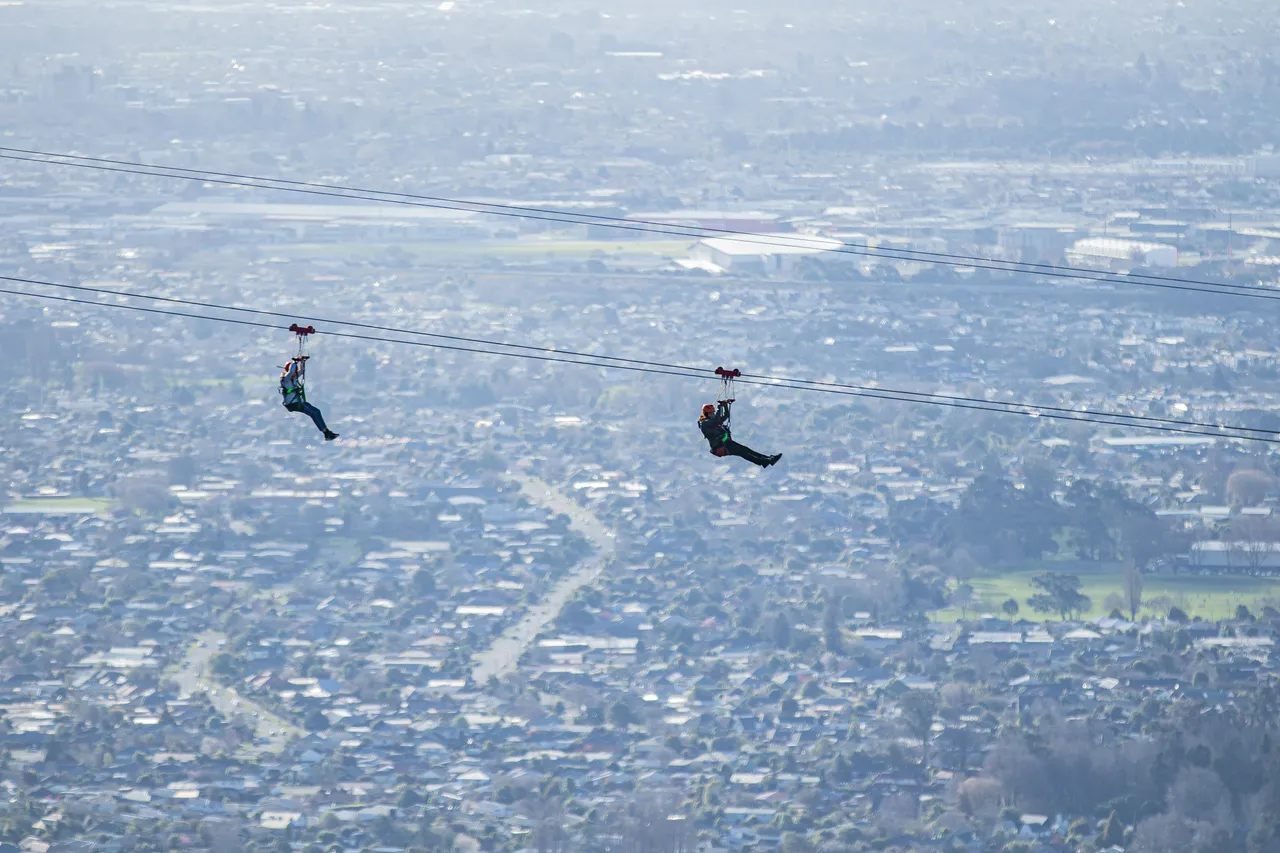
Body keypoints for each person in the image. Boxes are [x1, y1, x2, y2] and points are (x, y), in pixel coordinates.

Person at [698, 401, 780, 468]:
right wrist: (720, 407)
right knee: (743, 452)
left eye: (713, 413)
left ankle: (767, 459)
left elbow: (725, 416)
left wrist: (725, 406)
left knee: (745, 449)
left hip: (725, 443)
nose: (713, 414)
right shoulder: (705, 424)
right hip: (721, 446)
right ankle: (765, 461)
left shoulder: (713, 422)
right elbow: (716, 418)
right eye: (711, 413)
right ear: (706, 414)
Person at [280, 357, 339, 441]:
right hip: (293, 404)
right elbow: (291, 372)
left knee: (317, 411)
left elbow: (301, 371)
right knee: (313, 413)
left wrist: (302, 362)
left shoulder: (294, 377)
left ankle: (327, 432)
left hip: (299, 402)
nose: (295, 373)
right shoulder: (285, 380)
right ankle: (326, 433)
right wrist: (295, 362)